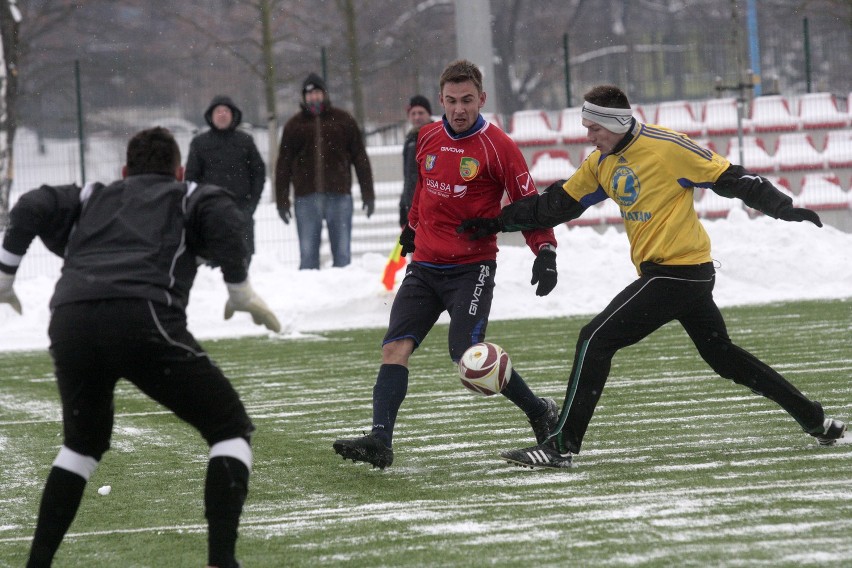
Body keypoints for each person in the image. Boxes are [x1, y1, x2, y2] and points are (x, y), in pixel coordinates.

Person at [457, 84, 847, 469]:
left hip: (681, 272)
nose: (588, 135)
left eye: (594, 128)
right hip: (671, 275)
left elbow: (731, 178)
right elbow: (553, 206)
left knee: (595, 338)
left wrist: (782, 207)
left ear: (617, 121)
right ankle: (815, 419)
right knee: (724, 358)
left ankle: (561, 445)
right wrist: (496, 222)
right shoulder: (600, 163)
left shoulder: (668, 147)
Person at [0, 127, 280, 567]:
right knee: (230, 429)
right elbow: (227, 216)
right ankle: (221, 562)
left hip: (71, 320)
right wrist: (239, 287)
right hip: (141, 317)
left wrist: (3, 276)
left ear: (125, 171)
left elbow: (32, 204)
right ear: (179, 170)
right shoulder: (187, 194)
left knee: (81, 446)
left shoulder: (93, 195)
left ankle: (37, 564)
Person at [332, 59, 560, 470]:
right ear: (441, 99)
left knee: (468, 356)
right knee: (394, 348)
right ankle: (381, 440)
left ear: (482, 99)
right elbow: (424, 190)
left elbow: (529, 207)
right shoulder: (427, 137)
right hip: (425, 267)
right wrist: (411, 228)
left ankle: (539, 410)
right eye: (452, 100)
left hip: (472, 269)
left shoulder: (500, 147)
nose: (459, 108)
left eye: (467, 100)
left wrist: (544, 251)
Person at [274, 72, 375, 269]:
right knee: (308, 256)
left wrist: (368, 194)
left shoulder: (344, 120)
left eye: (317, 92)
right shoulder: (293, 126)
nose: (314, 97)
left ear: (325, 94)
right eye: (309, 94)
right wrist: (282, 200)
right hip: (306, 198)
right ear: (304, 97)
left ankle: (343, 294)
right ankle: (310, 297)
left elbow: (360, 159)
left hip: (339, 196)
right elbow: (283, 165)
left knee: (343, 255)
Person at [185, 95, 266, 266]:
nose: (222, 114)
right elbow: (191, 178)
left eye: (226, 111)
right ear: (210, 116)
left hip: (241, 210)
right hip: (210, 213)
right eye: (218, 111)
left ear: (233, 115)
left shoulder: (245, 141)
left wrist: (252, 204)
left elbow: (258, 172)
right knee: (212, 262)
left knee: (244, 258)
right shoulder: (199, 143)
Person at [399, 94, 434, 228]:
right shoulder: (410, 139)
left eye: (421, 113)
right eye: (413, 113)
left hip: (428, 205)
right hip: (411, 205)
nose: (417, 117)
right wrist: (403, 206)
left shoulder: (435, 137)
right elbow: (408, 177)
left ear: (429, 114)